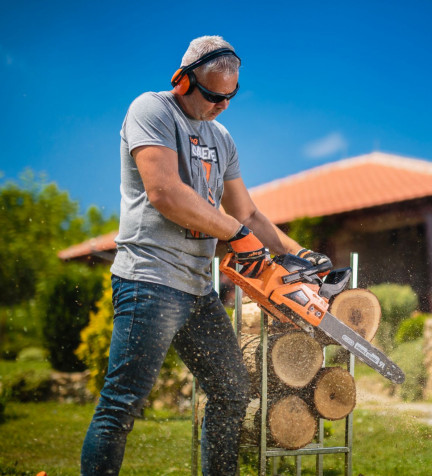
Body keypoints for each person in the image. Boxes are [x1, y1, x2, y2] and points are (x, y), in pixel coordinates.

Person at [80, 35, 330, 475]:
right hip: (149, 280)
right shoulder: (152, 110)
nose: (221, 105)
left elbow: (247, 211)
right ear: (183, 81)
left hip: (197, 290)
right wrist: (237, 235)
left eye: (230, 97)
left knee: (233, 390)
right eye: (213, 95)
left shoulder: (222, 138)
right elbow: (165, 192)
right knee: (121, 404)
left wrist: (299, 253)